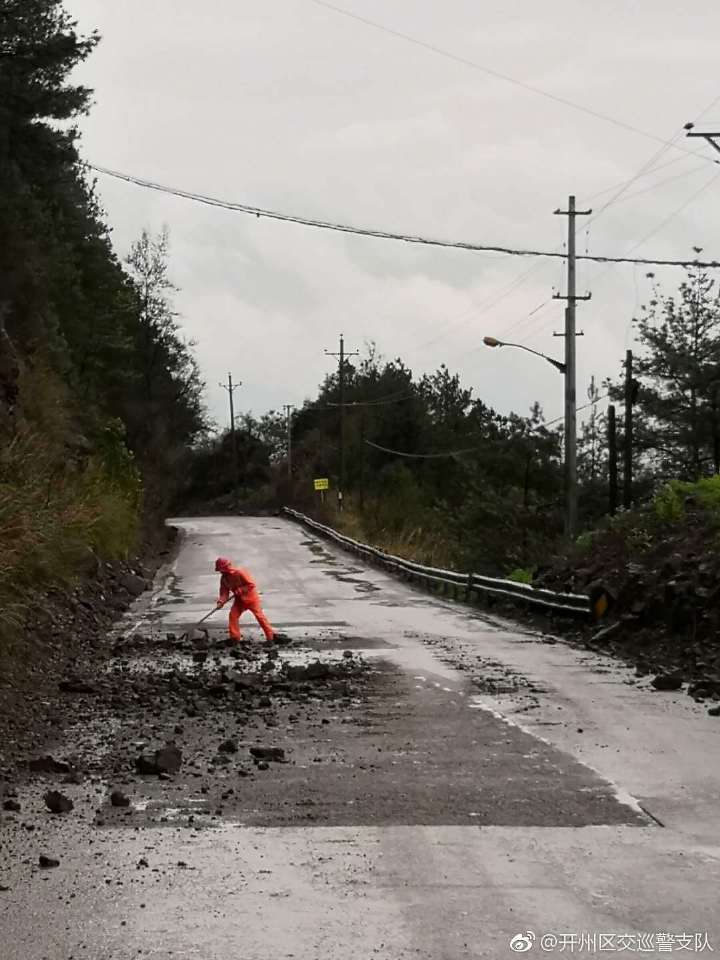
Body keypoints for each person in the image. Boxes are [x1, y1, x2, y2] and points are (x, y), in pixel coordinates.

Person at [214, 557, 275, 644]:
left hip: (251, 599)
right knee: (233, 616)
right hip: (239, 601)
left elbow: (251, 584)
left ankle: (271, 637)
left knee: (260, 617)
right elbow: (224, 592)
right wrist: (221, 601)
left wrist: (241, 590)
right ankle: (234, 638)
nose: (221, 572)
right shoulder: (224, 579)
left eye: (221, 569)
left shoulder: (240, 572)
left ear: (226, 567)